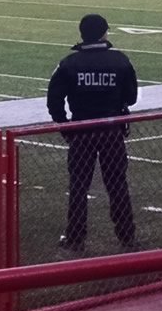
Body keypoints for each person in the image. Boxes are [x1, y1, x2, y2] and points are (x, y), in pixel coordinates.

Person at [45, 13, 140, 252]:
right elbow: (132, 97)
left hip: (81, 130)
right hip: (111, 130)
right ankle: (126, 235)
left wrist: (64, 125)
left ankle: (75, 237)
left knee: (78, 185)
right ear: (104, 32)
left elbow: (54, 99)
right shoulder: (120, 60)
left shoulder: (69, 63)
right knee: (117, 184)